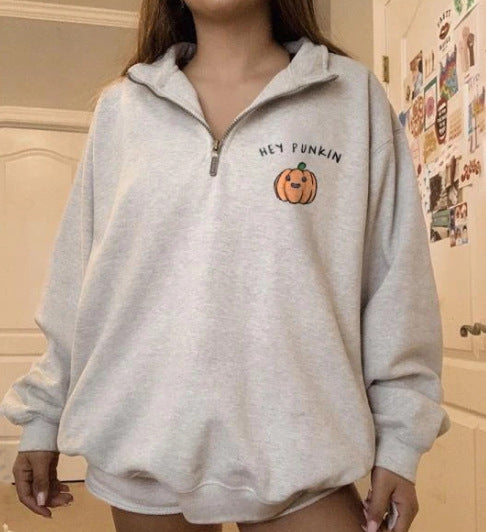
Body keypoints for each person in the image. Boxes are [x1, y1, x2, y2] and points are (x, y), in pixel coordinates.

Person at [0, 1, 451, 531]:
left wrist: (400, 440)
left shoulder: (351, 98)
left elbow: (397, 284)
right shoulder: (121, 111)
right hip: (143, 446)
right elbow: (78, 282)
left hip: (302, 449)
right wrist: (43, 414)